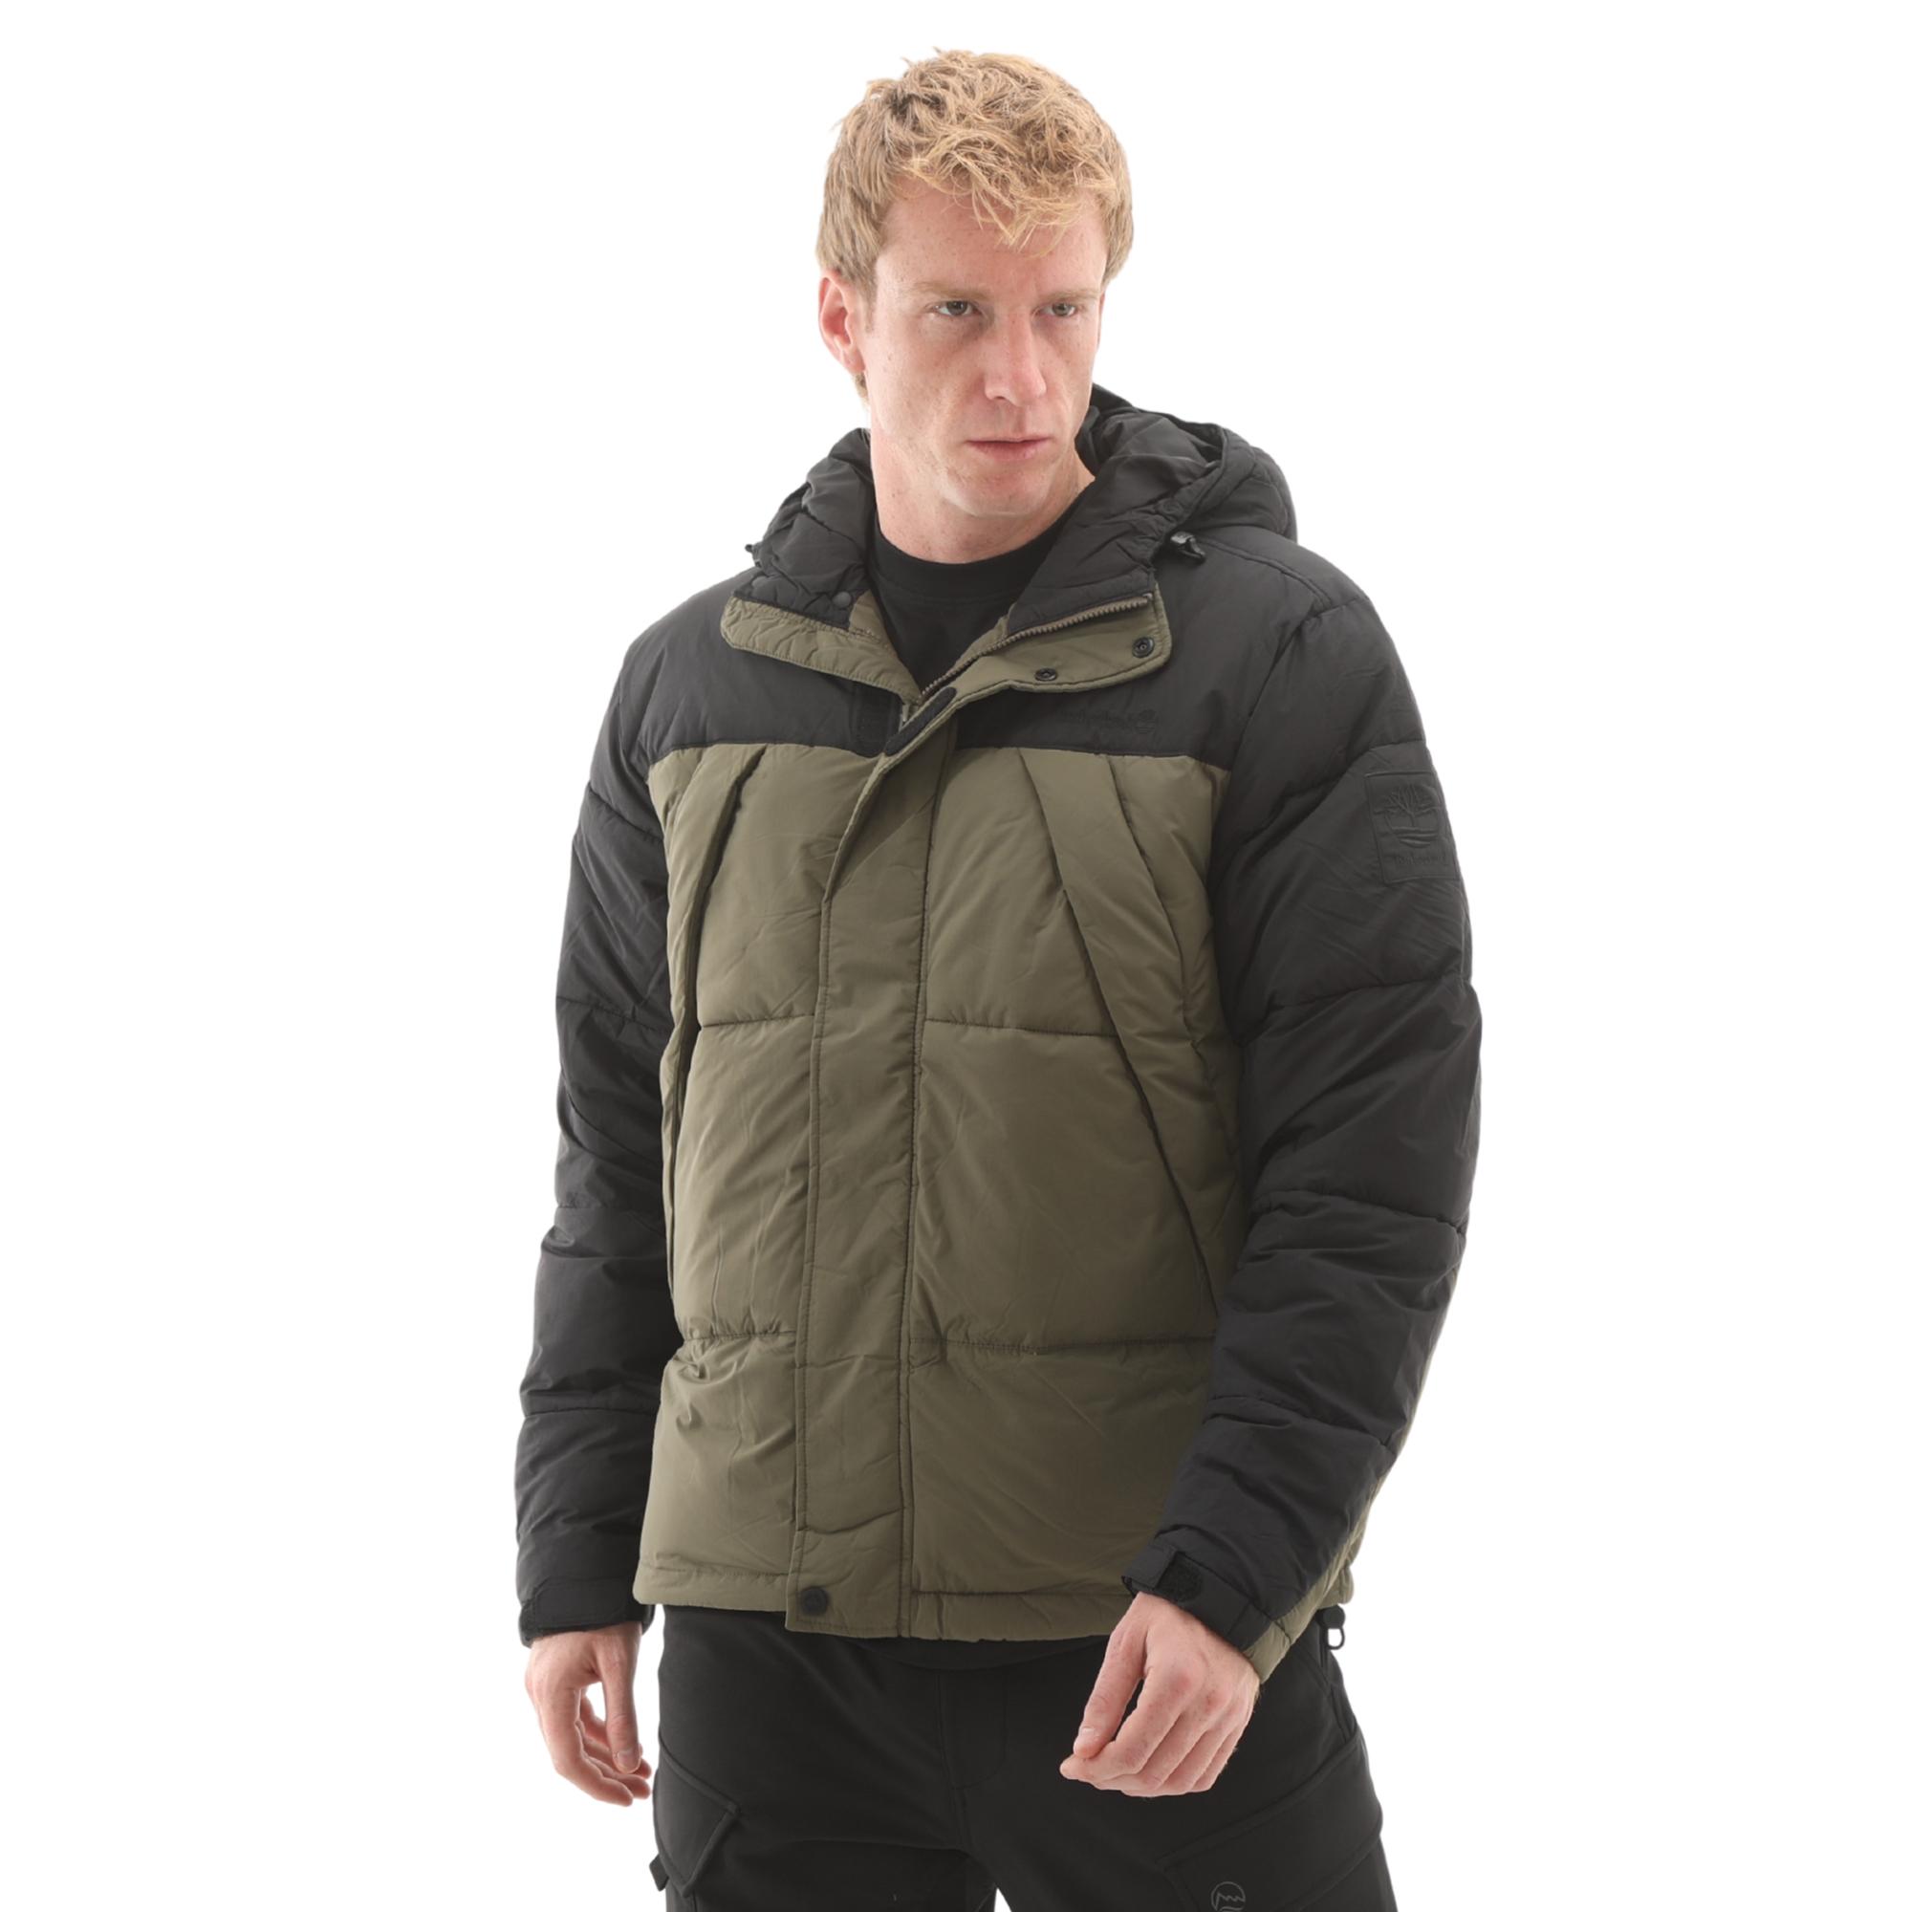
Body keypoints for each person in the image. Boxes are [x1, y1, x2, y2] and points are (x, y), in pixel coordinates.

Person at [515, 48, 1481, 1910]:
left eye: (1062, 309)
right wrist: (577, 1558)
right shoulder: (690, 693)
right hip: (771, 1656)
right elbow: (618, 1164)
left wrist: (1237, 1575)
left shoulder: (1274, 662)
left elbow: (1370, 1175)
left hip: (1140, 1635)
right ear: (842, 317)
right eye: (955, 310)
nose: (1020, 377)